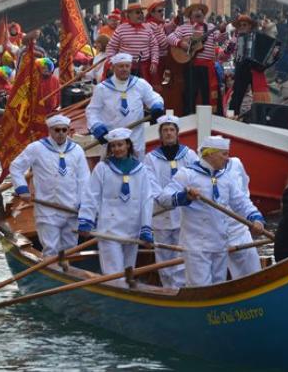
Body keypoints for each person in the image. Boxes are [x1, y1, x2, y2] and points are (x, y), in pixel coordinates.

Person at [157, 136, 266, 287]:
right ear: (210, 154)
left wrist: (256, 218)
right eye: (224, 154)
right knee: (201, 288)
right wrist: (184, 197)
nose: (228, 159)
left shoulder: (225, 178)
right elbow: (163, 198)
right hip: (197, 246)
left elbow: (241, 202)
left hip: (219, 243)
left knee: (218, 287)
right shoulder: (187, 174)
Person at [77, 128, 155, 284]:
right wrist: (86, 220)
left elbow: (146, 200)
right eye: (113, 146)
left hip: (132, 230)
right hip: (109, 230)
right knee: (114, 277)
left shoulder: (141, 170)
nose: (117, 149)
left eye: (120, 145)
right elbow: (92, 195)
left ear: (127, 145)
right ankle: (116, 304)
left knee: (128, 273)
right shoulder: (102, 168)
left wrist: (146, 228)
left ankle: (126, 304)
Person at [9, 114, 90, 258]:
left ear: (68, 131)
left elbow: (84, 179)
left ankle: (67, 274)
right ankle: (53, 270)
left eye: (64, 130)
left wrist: (83, 204)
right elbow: (16, 167)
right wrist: (22, 189)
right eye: (57, 130)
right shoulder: (36, 148)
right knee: (51, 248)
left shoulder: (77, 150)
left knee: (71, 249)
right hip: (46, 208)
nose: (60, 134)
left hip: (71, 208)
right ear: (50, 131)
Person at [143, 114, 198, 288]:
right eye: (165, 130)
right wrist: (165, 199)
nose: (168, 133)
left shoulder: (189, 155)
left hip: (184, 215)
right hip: (161, 215)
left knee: (181, 256)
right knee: (164, 257)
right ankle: (168, 288)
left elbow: (197, 179)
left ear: (177, 133)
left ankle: (180, 289)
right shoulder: (150, 159)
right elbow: (151, 184)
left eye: (171, 130)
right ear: (160, 134)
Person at [86, 52, 164, 159]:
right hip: (112, 142)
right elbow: (92, 112)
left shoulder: (140, 84)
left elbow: (154, 97)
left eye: (127, 66)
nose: (124, 69)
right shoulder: (102, 88)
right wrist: (96, 127)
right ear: (113, 68)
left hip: (135, 141)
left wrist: (157, 105)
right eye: (121, 66)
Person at [167, 4, 224, 115]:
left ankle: (211, 117)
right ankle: (189, 116)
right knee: (190, 93)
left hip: (208, 67)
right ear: (190, 14)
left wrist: (222, 34)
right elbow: (169, 38)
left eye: (201, 11)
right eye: (195, 11)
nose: (199, 12)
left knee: (208, 94)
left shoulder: (211, 27)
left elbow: (218, 38)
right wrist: (181, 43)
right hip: (191, 66)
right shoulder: (183, 27)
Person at [106, 3, 159, 83]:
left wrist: (154, 62)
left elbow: (154, 46)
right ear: (129, 15)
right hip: (125, 67)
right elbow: (111, 47)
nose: (141, 15)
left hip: (144, 67)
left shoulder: (148, 28)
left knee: (142, 91)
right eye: (137, 13)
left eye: (141, 12)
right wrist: (112, 62)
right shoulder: (121, 29)